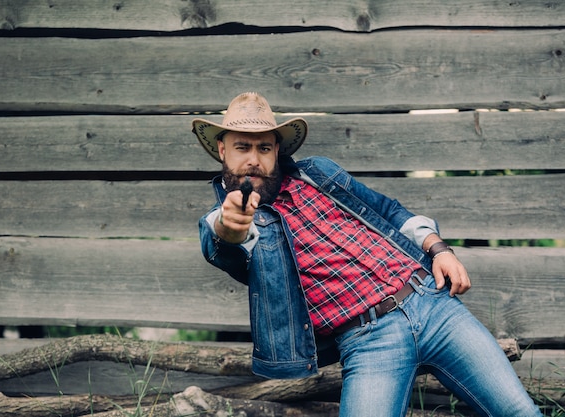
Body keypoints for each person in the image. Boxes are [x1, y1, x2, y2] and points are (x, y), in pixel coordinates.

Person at [193, 92, 542, 417]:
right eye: (242, 147)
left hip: (432, 303)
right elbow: (224, 244)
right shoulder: (221, 219)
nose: (254, 160)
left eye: (264, 148)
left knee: (520, 413)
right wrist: (231, 227)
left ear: (277, 150)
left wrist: (438, 249)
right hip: (369, 340)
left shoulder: (318, 174)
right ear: (222, 150)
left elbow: (387, 210)